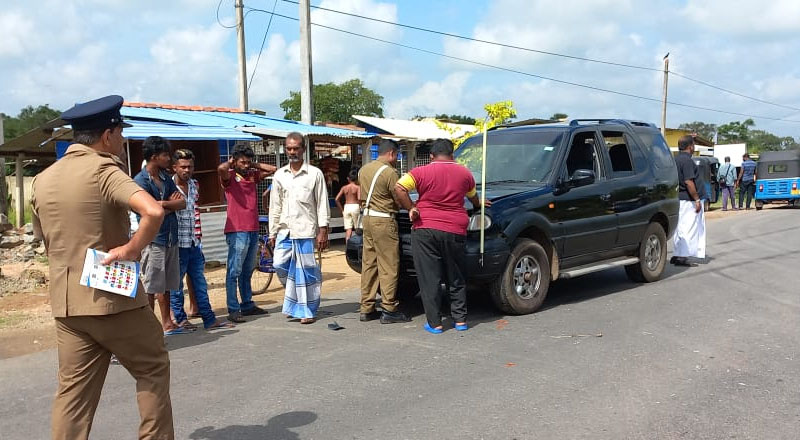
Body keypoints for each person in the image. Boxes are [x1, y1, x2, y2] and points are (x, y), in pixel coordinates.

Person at [32, 95, 174, 439]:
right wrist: (130, 248)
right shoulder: (104, 169)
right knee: (152, 368)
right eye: (121, 133)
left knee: (73, 395)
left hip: (67, 304)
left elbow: (43, 238)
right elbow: (153, 211)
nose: (123, 141)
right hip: (111, 296)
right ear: (107, 135)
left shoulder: (44, 179)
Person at [395, 138, 490, 333]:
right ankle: (461, 321)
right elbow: (472, 197)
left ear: (431, 156)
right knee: (456, 275)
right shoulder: (465, 173)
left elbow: (399, 188)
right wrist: (478, 204)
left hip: (426, 228)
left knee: (430, 278)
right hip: (455, 229)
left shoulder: (419, 172)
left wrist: (411, 208)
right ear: (452, 154)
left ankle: (435, 323)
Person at [269, 132, 330, 324]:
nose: (292, 152)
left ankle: (307, 310)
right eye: (289, 148)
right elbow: (275, 205)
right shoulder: (280, 175)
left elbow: (321, 203)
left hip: (305, 230)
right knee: (279, 264)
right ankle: (295, 301)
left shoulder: (314, 174)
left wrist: (323, 230)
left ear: (303, 149)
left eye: (296, 148)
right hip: (285, 230)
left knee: (306, 272)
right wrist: (272, 232)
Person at [170, 149, 234, 330]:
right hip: (177, 243)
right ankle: (180, 320)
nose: (186, 170)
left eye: (190, 166)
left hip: (194, 242)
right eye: (183, 166)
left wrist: (198, 237)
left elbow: (195, 212)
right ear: (174, 167)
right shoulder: (169, 187)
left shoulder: (194, 185)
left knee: (200, 282)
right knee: (176, 285)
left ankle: (209, 318)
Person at [133, 136, 187, 335]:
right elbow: (147, 212)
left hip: (170, 238)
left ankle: (166, 323)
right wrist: (165, 206)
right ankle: (147, 328)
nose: (169, 159)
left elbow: (182, 203)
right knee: (151, 285)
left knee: (166, 285)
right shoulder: (140, 181)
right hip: (153, 240)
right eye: (165, 155)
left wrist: (163, 204)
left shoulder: (165, 178)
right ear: (154, 157)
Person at [218, 144, 277, 323]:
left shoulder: (252, 175)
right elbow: (220, 168)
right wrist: (232, 162)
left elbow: (274, 169)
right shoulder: (229, 177)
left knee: (247, 269)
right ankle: (233, 308)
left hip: (252, 228)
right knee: (234, 270)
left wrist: (254, 165)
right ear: (234, 161)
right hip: (237, 229)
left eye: (247, 162)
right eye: (242, 162)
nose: (245, 165)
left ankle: (247, 304)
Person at [358, 140, 411, 324]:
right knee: (388, 265)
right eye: (396, 156)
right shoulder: (390, 172)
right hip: (384, 220)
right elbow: (398, 197)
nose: (396, 159)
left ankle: (367, 307)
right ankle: (389, 308)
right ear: (391, 154)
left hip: (367, 219)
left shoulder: (363, 170)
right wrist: (410, 207)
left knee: (369, 264)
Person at [671, 135, 705, 267]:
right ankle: (682, 257)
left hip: (678, 198)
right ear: (690, 146)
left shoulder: (675, 159)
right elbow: (688, 181)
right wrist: (696, 199)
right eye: (694, 144)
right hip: (688, 200)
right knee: (688, 227)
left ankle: (678, 253)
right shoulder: (687, 161)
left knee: (679, 228)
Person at [334, 168, 361, 242]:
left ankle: (348, 248)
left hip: (346, 207)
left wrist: (342, 210)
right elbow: (359, 198)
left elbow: (336, 199)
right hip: (355, 206)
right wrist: (361, 207)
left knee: (348, 229)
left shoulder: (344, 188)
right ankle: (357, 246)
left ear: (348, 179)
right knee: (357, 228)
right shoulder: (358, 187)